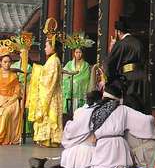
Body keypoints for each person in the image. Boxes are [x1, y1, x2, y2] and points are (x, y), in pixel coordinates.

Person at [60, 80, 155, 168]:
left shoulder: (94, 110)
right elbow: (147, 121)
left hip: (102, 145)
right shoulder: (123, 109)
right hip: (118, 146)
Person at [28, 19, 63, 147]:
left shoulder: (54, 61)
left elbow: (48, 81)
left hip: (50, 94)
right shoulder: (52, 60)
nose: (44, 48)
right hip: (51, 94)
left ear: (52, 47)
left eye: (46, 46)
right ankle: (47, 139)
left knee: (48, 115)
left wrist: (37, 70)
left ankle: (48, 139)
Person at [103, 16, 146, 110]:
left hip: (128, 78)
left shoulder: (121, 44)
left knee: (129, 106)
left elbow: (110, 63)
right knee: (141, 106)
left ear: (118, 32)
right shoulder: (138, 43)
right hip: (142, 77)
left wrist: (109, 79)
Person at [0, 47, 22, 145]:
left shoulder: (14, 76)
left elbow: (17, 92)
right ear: (0, 63)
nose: (7, 64)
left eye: (9, 62)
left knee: (5, 114)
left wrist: (8, 101)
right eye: (5, 62)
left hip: (11, 101)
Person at [62, 47, 91, 115]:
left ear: (82, 53)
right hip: (70, 88)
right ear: (74, 53)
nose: (78, 54)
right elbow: (64, 74)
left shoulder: (86, 65)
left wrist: (75, 80)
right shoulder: (69, 63)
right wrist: (70, 79)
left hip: (79, 88)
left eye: (80, 52)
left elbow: (86, 77)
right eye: (76, 52)